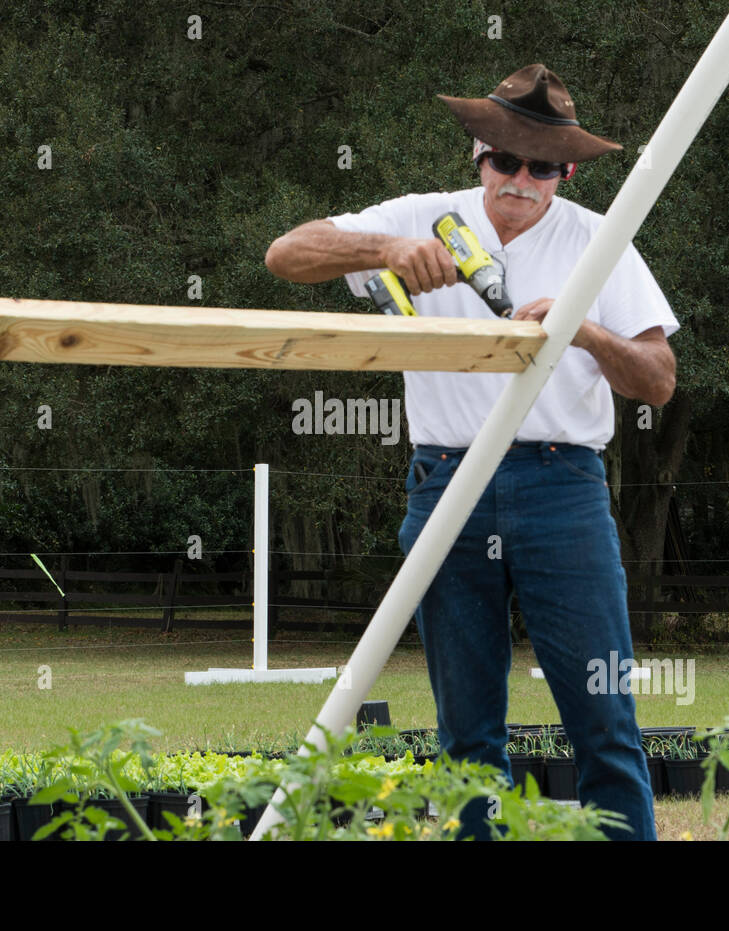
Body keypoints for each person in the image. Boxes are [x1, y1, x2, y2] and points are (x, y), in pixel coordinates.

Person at [265, 64, 677, 840]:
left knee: (606, 724)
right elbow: (286, 253)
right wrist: (385, 249)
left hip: (563, 488)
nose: (522, 179)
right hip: (447, 484)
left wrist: (582, 328)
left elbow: (658, 380)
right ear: (478, 155)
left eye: (543, 165)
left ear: (567, 170)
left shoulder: (599, 240)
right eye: (506, 159)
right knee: (467, 741)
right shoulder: (424, 217)